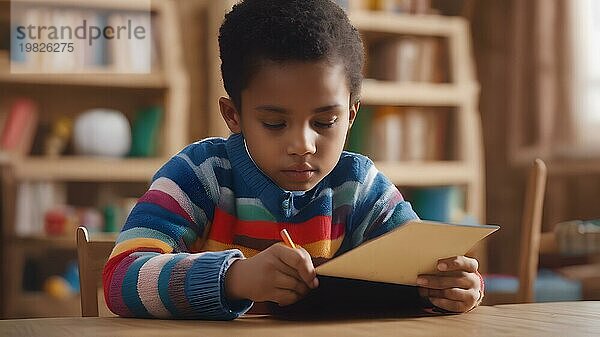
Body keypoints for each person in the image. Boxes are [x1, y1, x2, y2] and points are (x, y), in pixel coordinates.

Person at [102, 0, 483, 320]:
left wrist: (457, 287)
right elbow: (121, 279)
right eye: (274, 123)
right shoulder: (199, 175)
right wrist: (235, 278)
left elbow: (418, 267)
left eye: (324, 122)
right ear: (233, 116)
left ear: (351, 114)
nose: (303, 144)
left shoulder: (360, 185)